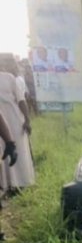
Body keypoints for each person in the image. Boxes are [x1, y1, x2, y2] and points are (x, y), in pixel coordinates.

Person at [0, 61, 34, 191]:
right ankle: (14, 183)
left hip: (8, 119)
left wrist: (26, 118)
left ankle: (14, 184)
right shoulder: (9, 77)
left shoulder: (9, 77)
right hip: (7, 119)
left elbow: (21, 99)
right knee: (10, 150)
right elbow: (21, 100)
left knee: (10, 150)